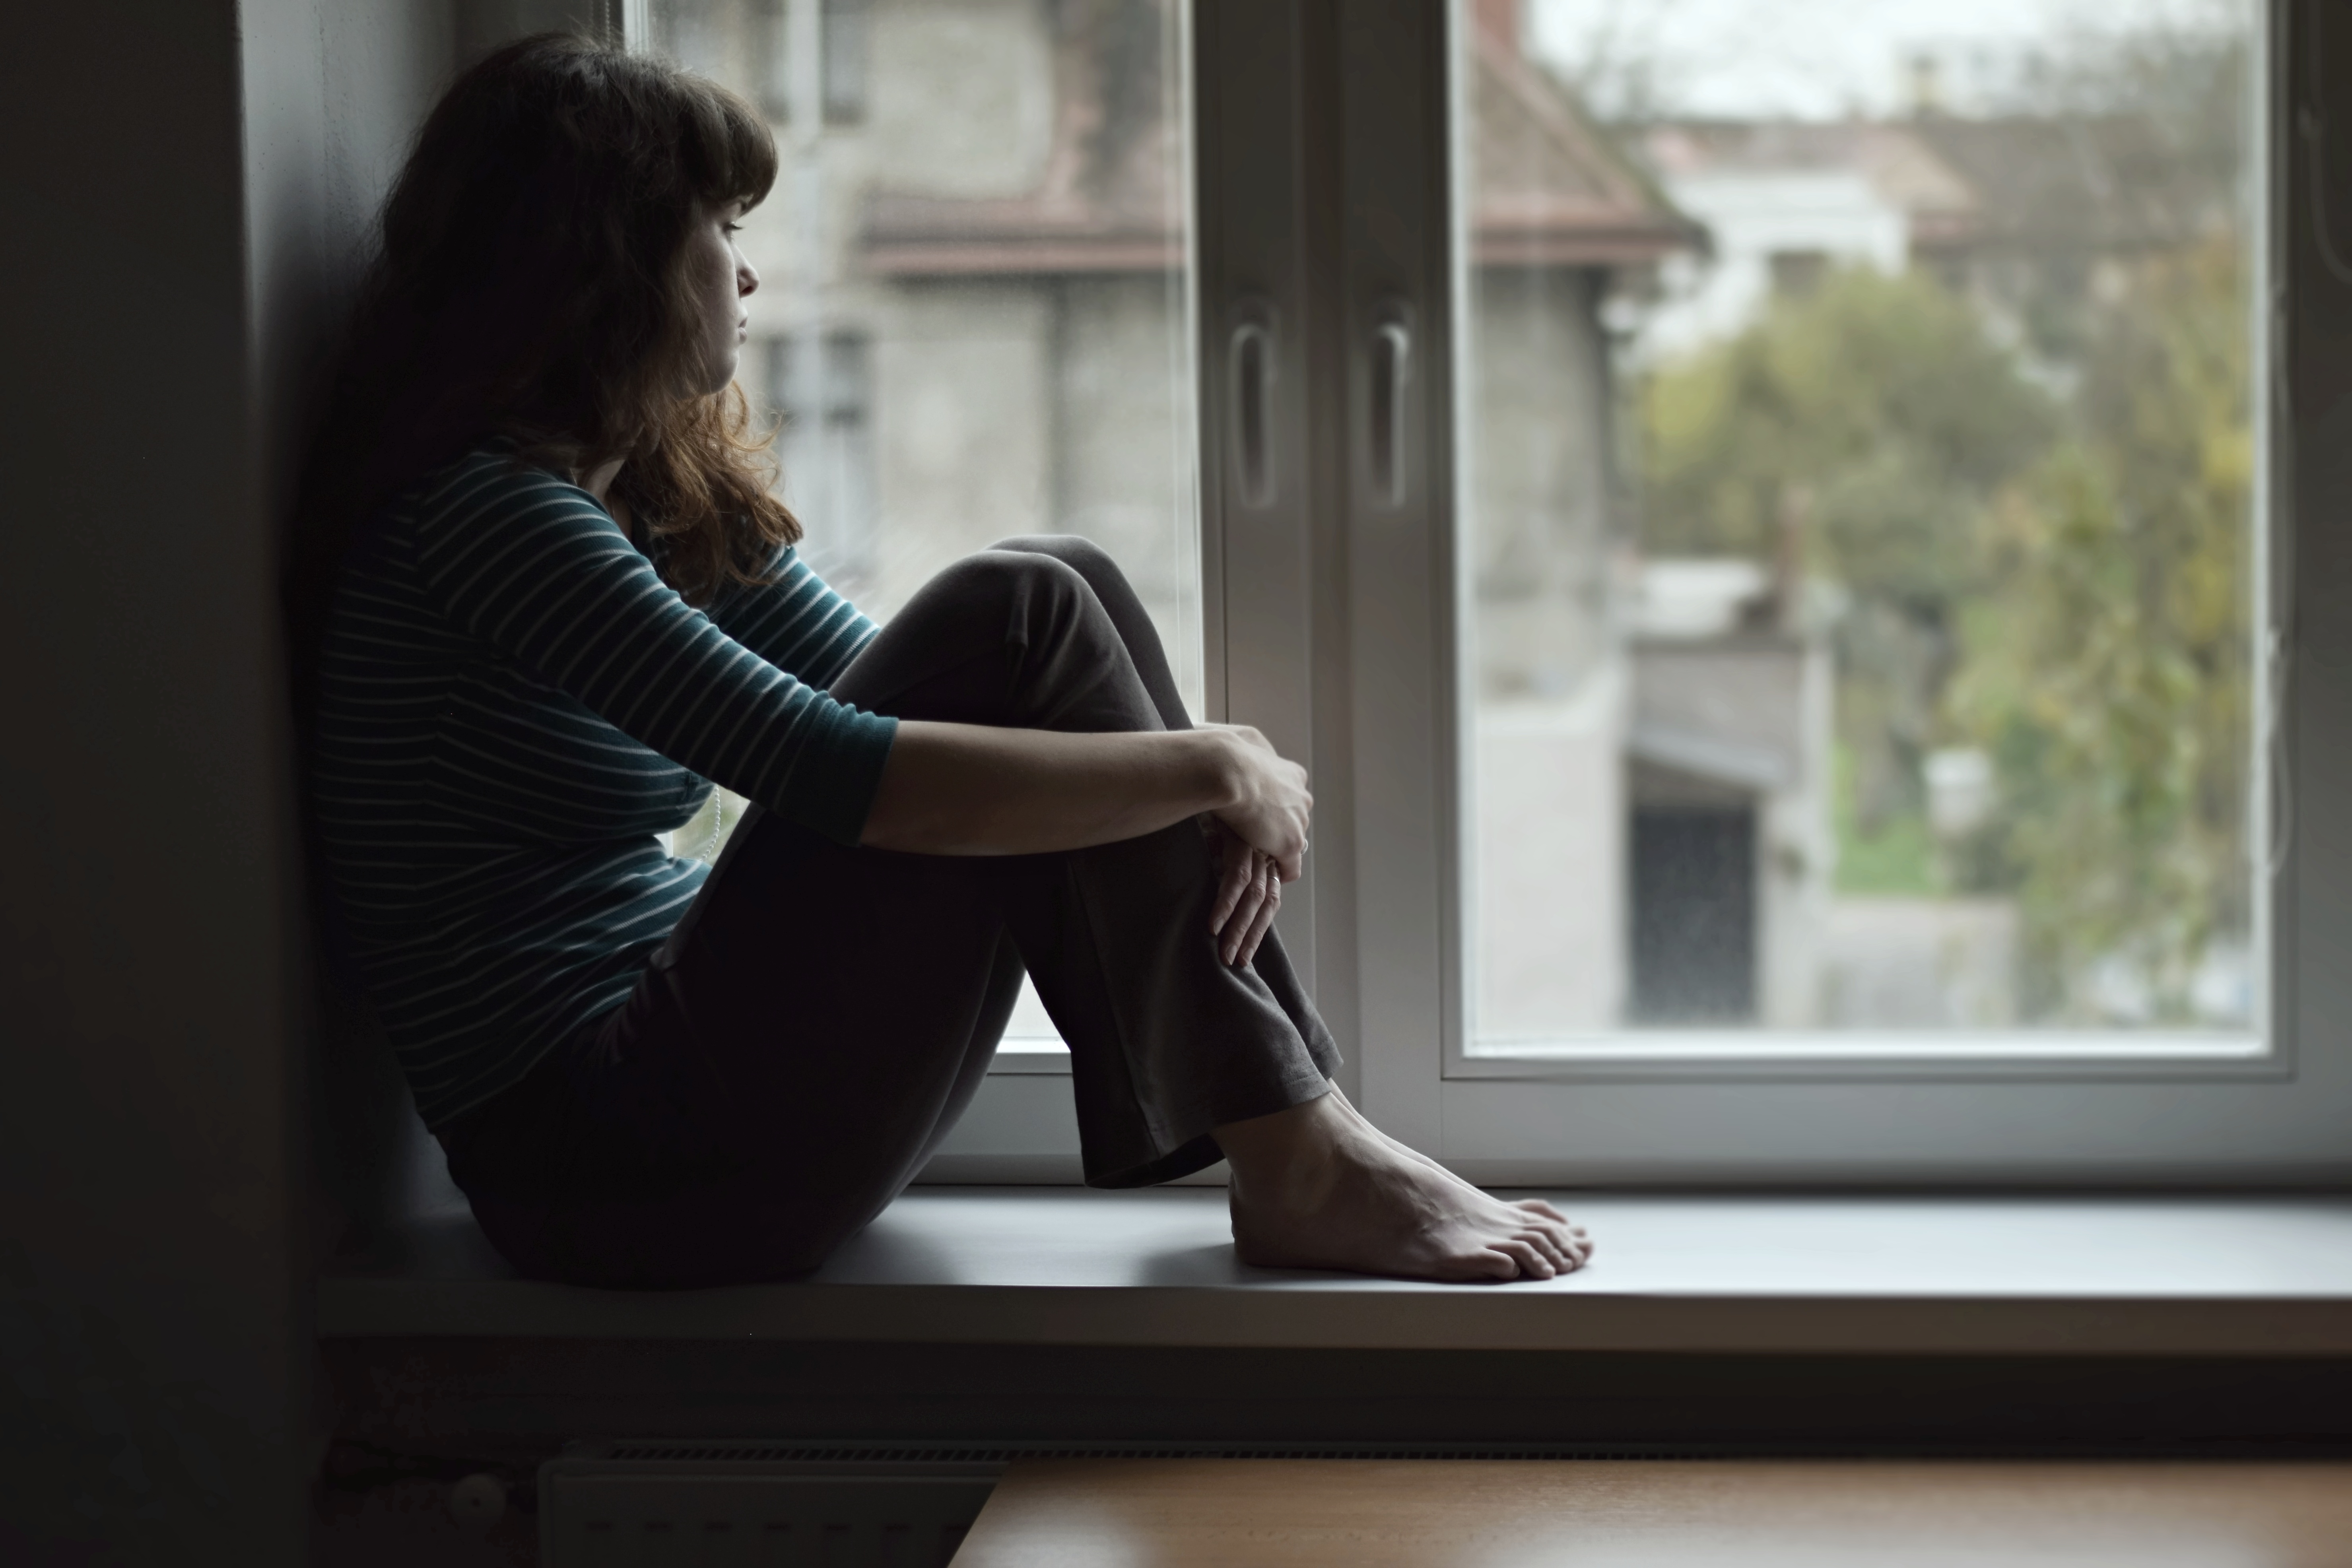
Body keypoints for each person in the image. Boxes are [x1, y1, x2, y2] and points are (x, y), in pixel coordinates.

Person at [290, 32, 1589, 1290]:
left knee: (1060, 588)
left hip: (684, 1119)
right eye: (721, 233)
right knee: (1023, 604)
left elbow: (908, 694)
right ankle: (1299, 1151)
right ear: (611, 264)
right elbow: (846, 770)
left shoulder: (639, 500)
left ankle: (1300, 1140)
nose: (746, 279)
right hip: (607, 1169)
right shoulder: (485, 522)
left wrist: (1187, 772)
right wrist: (1207, 765)